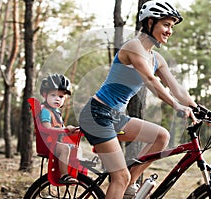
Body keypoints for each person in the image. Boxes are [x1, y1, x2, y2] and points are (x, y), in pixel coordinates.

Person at [79, 1, 199, 198]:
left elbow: (176, 87)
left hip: (116, 117)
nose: (170, 30)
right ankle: (124, 182)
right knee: (120, 177)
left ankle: (129, 185)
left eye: (172, 26)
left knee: (161, 137)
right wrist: (176, 105)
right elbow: (150, 80)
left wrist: (198, 107)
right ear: (150, 22)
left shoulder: (156, 58)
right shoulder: (134, 47)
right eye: (166, 25)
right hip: (97, 114)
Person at [39, 73, 78, 184]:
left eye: (61, 96)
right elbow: (47, 128)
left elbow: (59, 127)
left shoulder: (56, 112)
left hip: (56, 142)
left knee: (75, 148)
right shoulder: (46, 111)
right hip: (49, 143)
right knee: (65, 148)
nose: (57, 99)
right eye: (53, 95)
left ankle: (75, 172)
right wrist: (65, 130)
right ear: (45, 95)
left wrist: (71, 130)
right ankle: (64, 175)